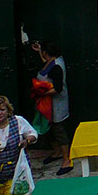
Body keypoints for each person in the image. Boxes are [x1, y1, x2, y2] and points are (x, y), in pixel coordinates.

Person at [33, 40, 73, 174]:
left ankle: (66, 159)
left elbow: (58, 88)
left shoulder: (56, 67)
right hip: (46, 105)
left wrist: (42, 93)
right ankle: (57, 152)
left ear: (46, 53)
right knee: (48, 129)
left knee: (59, 130)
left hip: (56, 105)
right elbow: (45, 63)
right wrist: (39, 50)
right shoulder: (52, 61)